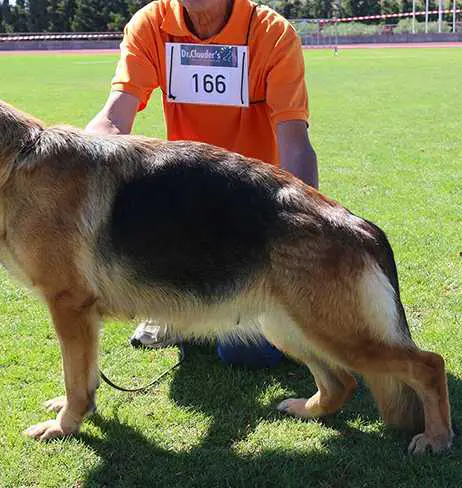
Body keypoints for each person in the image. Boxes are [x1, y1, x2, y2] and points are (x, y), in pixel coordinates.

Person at [85, 0, 318, 367]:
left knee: (244, 352)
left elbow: (295, 144)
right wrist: (73, 166)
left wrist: (305, 240)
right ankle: (180, 307)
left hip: (254, 211)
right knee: (139, 195)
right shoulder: (153, 23)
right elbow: (115, 118)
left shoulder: (272, 33)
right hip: (186, 203)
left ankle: (206, 309)